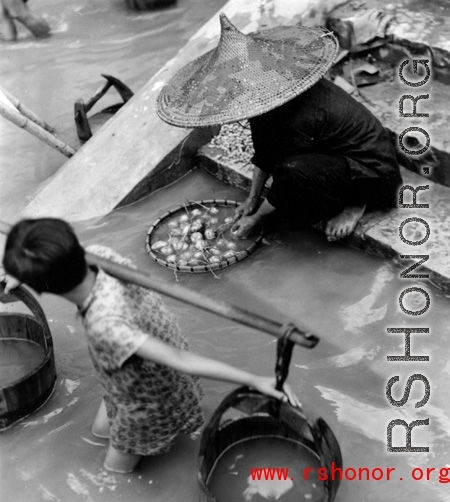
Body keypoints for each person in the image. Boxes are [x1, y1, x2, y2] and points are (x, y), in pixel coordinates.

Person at [1, 218, 299, 474]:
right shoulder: (99, 256)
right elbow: (60, 263)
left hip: (148, 399)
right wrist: (22, 273)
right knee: (97, 433)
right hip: (133, 375)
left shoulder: (105, 324)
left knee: (113, 473)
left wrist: (256, 380)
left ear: (44, 288)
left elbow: (178, 359)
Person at [156, 14, 402, 242]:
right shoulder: (268, 99)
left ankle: (356, 204)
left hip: (374, 176)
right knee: (282, 162)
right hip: (339, 155)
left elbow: (287, 178)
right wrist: (252, 198)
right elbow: (265, 151)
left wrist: (257, 217)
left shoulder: (298, 114)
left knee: (292, 172)